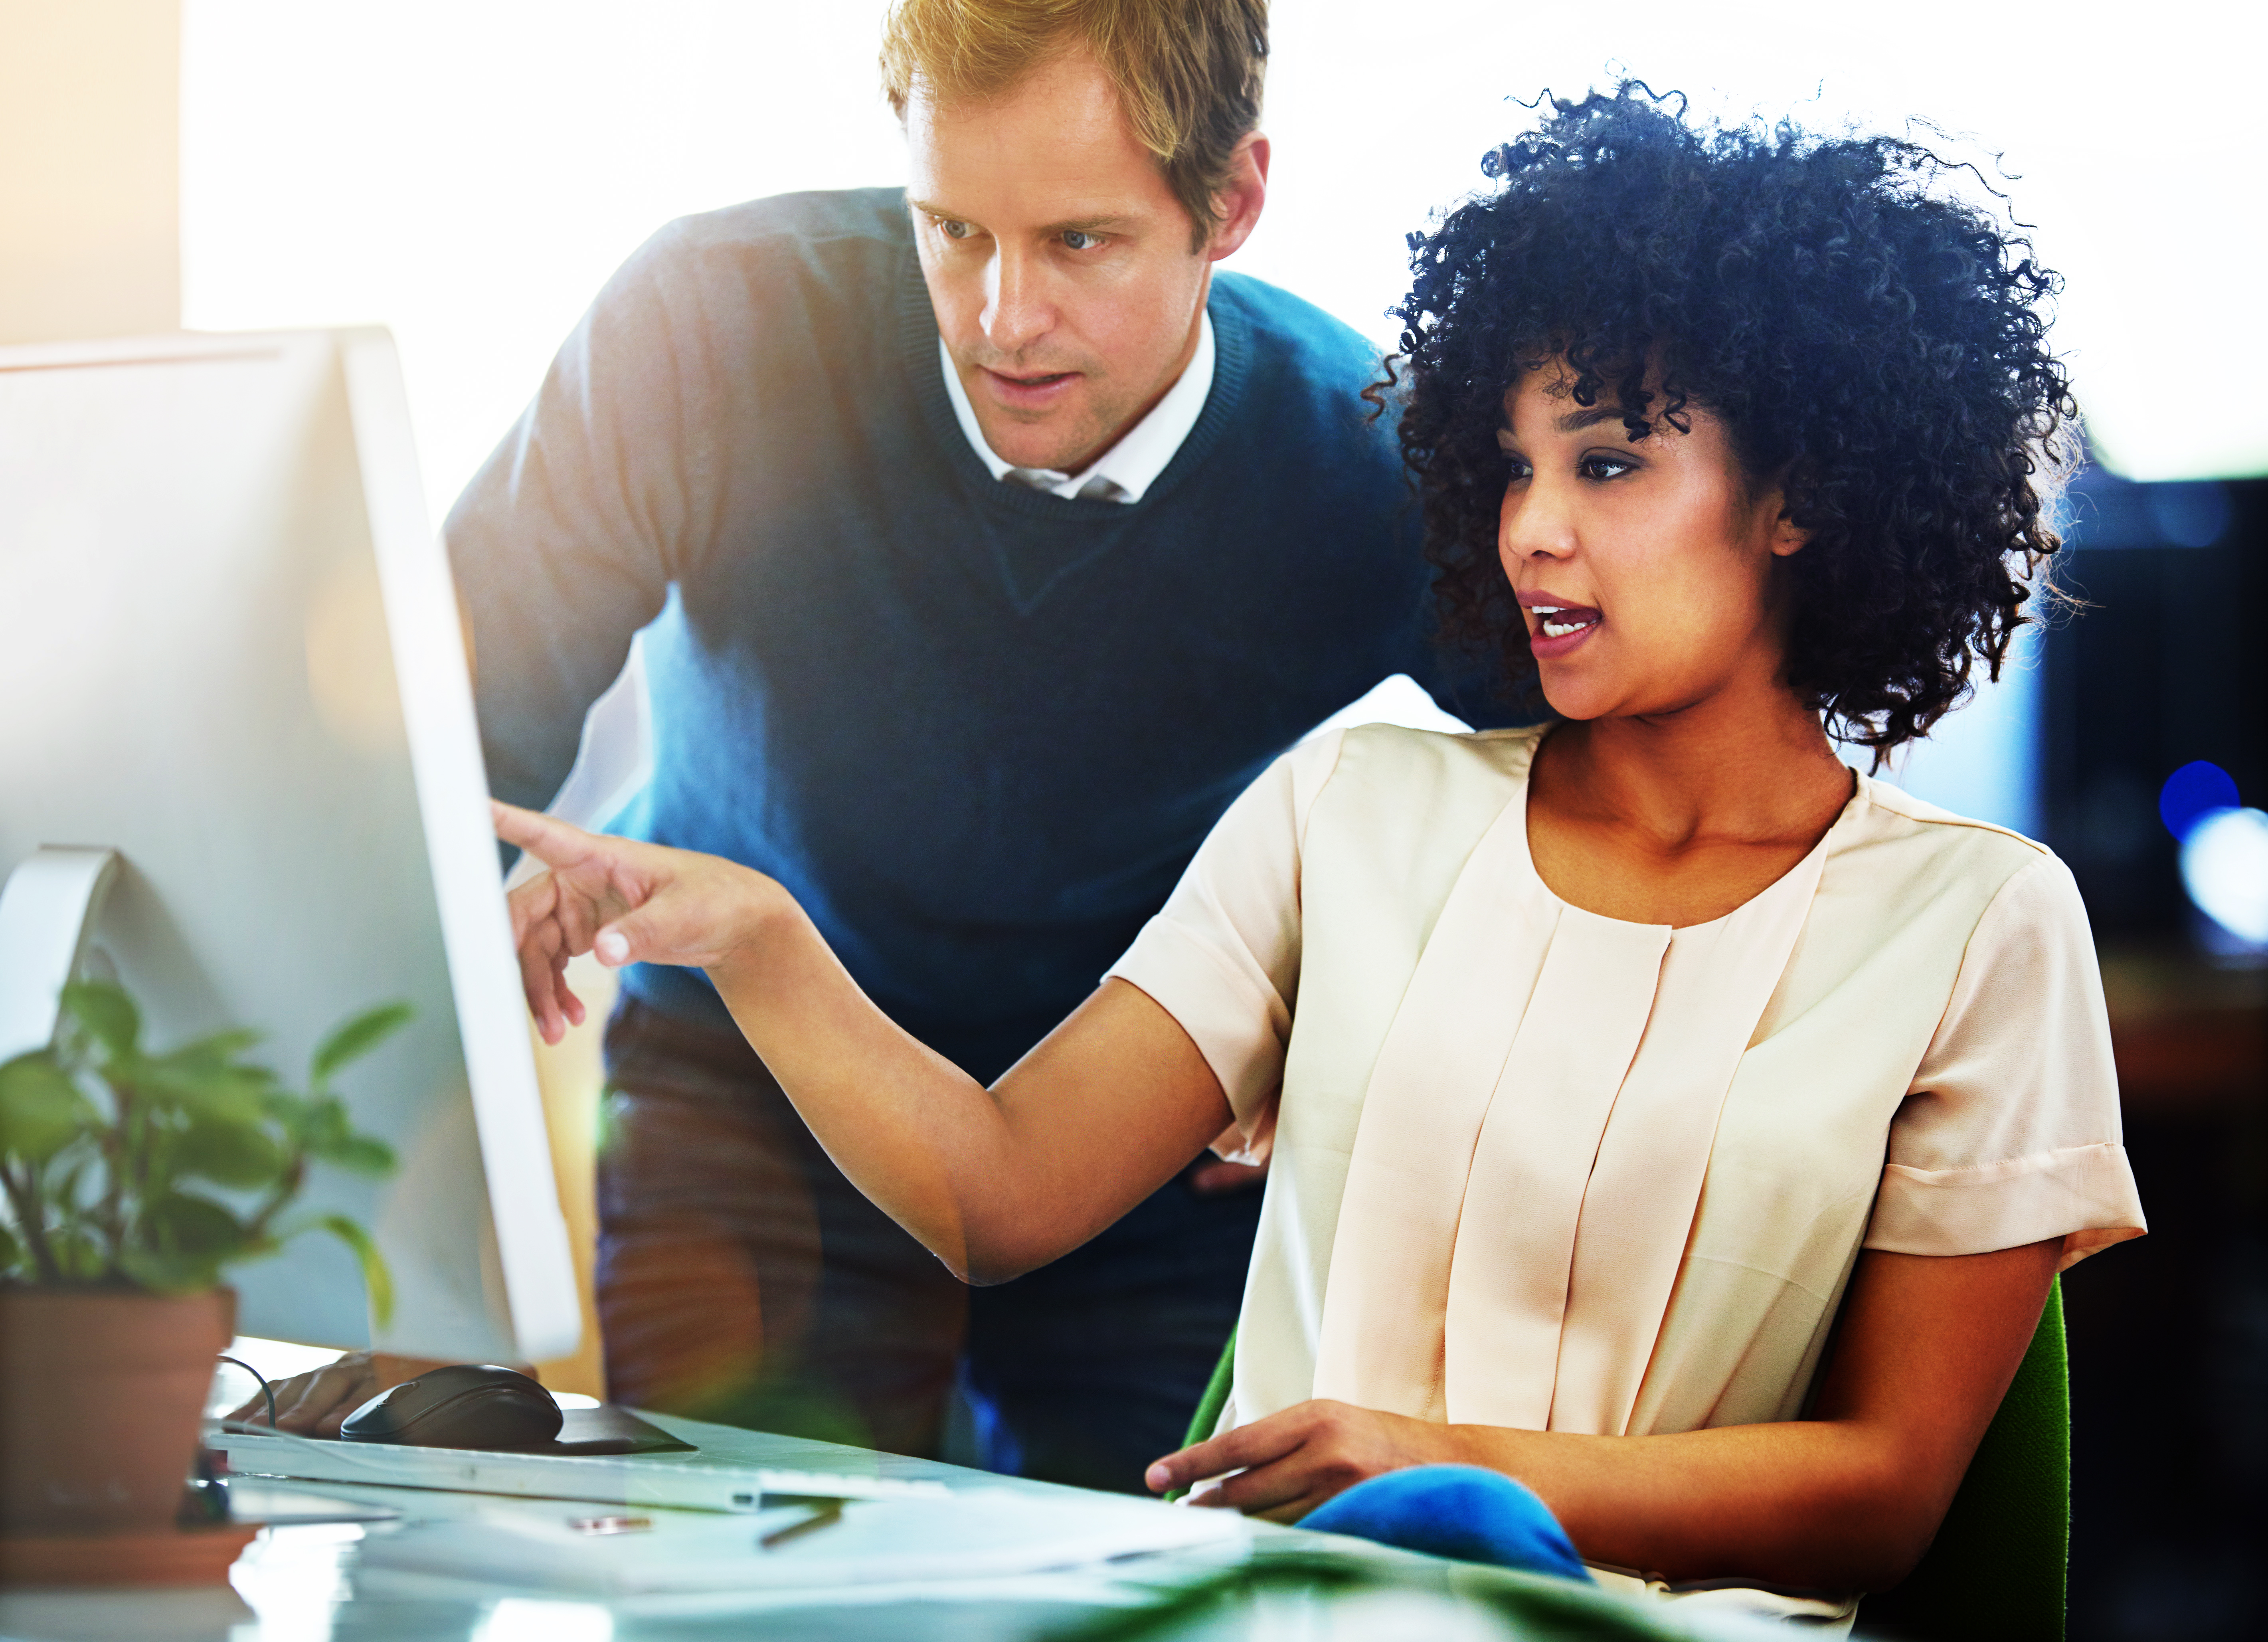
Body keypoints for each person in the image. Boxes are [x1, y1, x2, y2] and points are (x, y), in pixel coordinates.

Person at [490, 87, 2146, 1622]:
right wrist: (757, 936)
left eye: (1608, 465)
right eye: (1509, 468)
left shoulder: (1976, 924)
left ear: (1799, 494)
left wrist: (1445, 1472)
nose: (1531, 530)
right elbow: (995, 1198)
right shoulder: (1352, 807)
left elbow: (1889, 1494)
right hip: (1284, 1610)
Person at [239, 0, 1509, 1490]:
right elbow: (431, 723)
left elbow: (1591, 779)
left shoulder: (1363, 460)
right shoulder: (707, 325)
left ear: (1229, 203)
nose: (999, 317)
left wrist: (1358, 1001)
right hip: (745, 1098)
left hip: (1133, 1161)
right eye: (950, 228)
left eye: (1081, 244)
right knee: (738, 1585)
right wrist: (444, 943)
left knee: (1129, 1589)